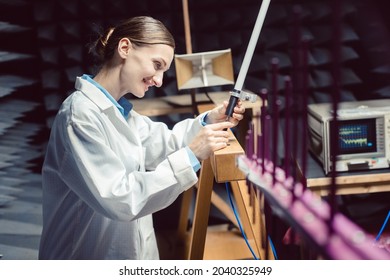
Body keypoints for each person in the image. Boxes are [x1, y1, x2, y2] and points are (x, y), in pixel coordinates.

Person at [38, 16, 245, 260]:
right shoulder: (79, 116)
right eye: (157, 65)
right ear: (124, 48)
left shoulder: (121, 112)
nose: (158, 81)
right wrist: (191, 155)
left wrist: (209, 120)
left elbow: (165, 144)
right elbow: (121, 199)